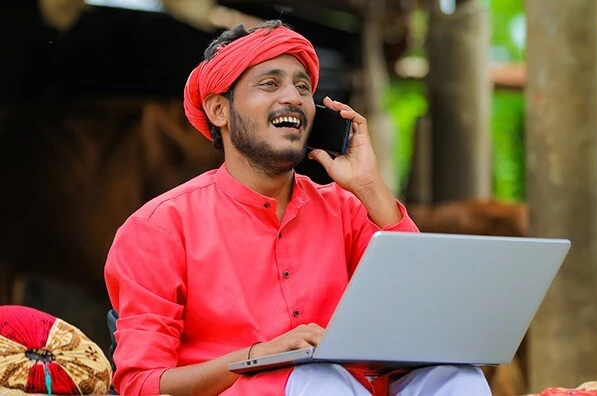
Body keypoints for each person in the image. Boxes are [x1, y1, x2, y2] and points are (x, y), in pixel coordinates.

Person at [104, 20, 492, 396]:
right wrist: (256, 357)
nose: (292, 97)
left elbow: (426, 313)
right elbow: (140, 383)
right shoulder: (158, 228)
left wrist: (369, 187)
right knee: (319, 382)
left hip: (355, 389)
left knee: (458, 378)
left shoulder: (346, 209)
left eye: (302, 87)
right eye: (270, 83)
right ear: (219, 111)